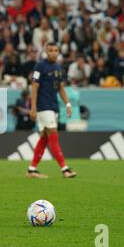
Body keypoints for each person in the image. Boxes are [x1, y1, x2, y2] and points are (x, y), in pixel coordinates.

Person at [27, 42, 77, 179]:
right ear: (46, 52)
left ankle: (32, 169)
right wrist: (33, 107)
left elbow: (60, 87)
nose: (53, 53)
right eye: (51, 50)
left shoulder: (58, 67)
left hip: (53, 106)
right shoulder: (40, 66)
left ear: (59, 52)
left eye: (56, 50)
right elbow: (34, 86)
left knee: (44, 138)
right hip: (43, 107)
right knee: (53, 135)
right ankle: (64, 169)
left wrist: (67, 104)